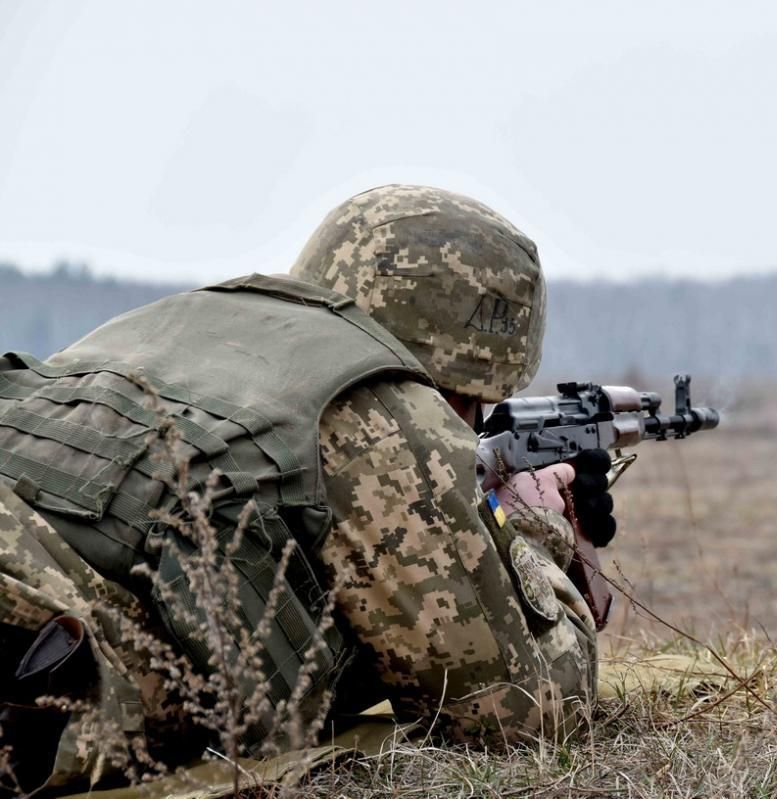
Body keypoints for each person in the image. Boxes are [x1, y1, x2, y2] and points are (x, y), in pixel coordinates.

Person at [0, 185, 611, 793]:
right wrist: (533, 528)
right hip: (37, 663)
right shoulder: (380, 413)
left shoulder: (164, 322)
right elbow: (516, 713)